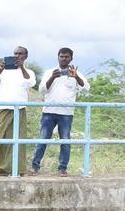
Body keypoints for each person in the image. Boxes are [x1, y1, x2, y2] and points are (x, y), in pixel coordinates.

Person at [30, 47, 88, 177]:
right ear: (58, 57)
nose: (64, 59)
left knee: (65, 141)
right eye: (61, 56)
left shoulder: (76, 73)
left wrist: (76, 76)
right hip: (49, 112)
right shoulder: (49, 72)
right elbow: (42, 90)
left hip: (66, 113)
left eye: (66, 57)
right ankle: (35, 167)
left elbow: (85, 89)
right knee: (43, 139)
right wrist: (52, 77)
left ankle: (62, 168)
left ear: (71, 58)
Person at [0, 46, 34, 176]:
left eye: (20, 54)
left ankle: (16, 169)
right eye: (15, 53)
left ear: (25, 56)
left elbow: (30, 82)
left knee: (18, 139)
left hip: (20, 109)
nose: (17, 56)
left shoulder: (28, 71)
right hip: (2, 108)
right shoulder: (4, 71)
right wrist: (0, 69)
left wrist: (22, 67)